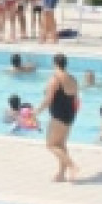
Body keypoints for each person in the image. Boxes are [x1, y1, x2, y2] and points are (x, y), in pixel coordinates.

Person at [36, 53, 79, 182]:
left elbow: (48, 100)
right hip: (70, 114)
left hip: (59, 115)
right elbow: (76, 99)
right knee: (61, 144)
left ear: (54, 63)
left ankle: (72, 165)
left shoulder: (55, 79)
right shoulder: (72, 78)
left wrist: (36, 112)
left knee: (50, 145)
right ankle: (61, 174)